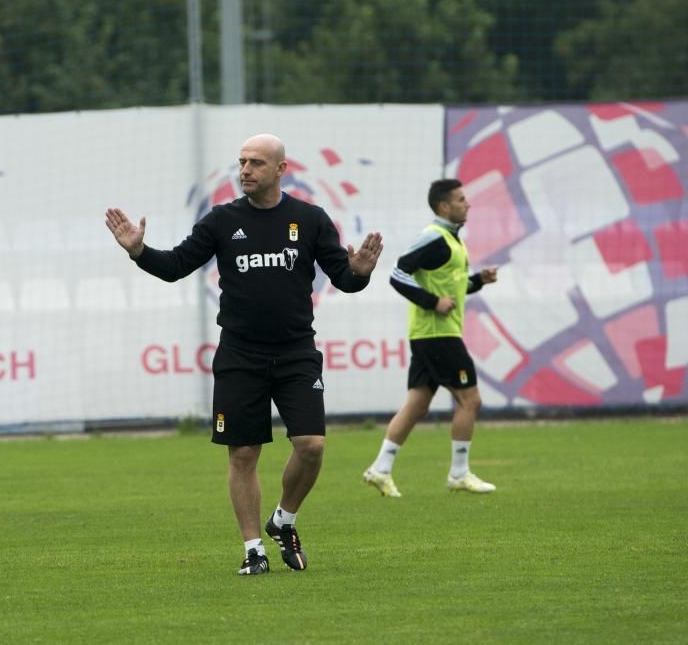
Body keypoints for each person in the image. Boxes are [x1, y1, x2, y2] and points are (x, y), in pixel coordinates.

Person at [105, 134, 383, 575]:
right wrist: (139, 251)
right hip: (240, 355)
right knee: (243, 455)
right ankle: (254, 550)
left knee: (311, 446)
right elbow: (176, 266)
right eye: (241, 162)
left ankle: (284, 520)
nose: (245, 170)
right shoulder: (221, 221)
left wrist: (360, 274)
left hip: (296, 353)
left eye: (255, 162)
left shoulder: (310, 220)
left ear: (280, 169)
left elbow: (344, 279)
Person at [362, 179, 497, 498]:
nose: (468, 204)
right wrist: (432, 302)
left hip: (430, 334)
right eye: (462, 199)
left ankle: (380, 469)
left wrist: (478, 280)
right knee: (470, 400)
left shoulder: (452, 241)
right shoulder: (435, 239)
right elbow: (397, 273)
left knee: (417, 404)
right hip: (439, 334)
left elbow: (449, 287)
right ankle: (459, 473)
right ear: (444, 206)